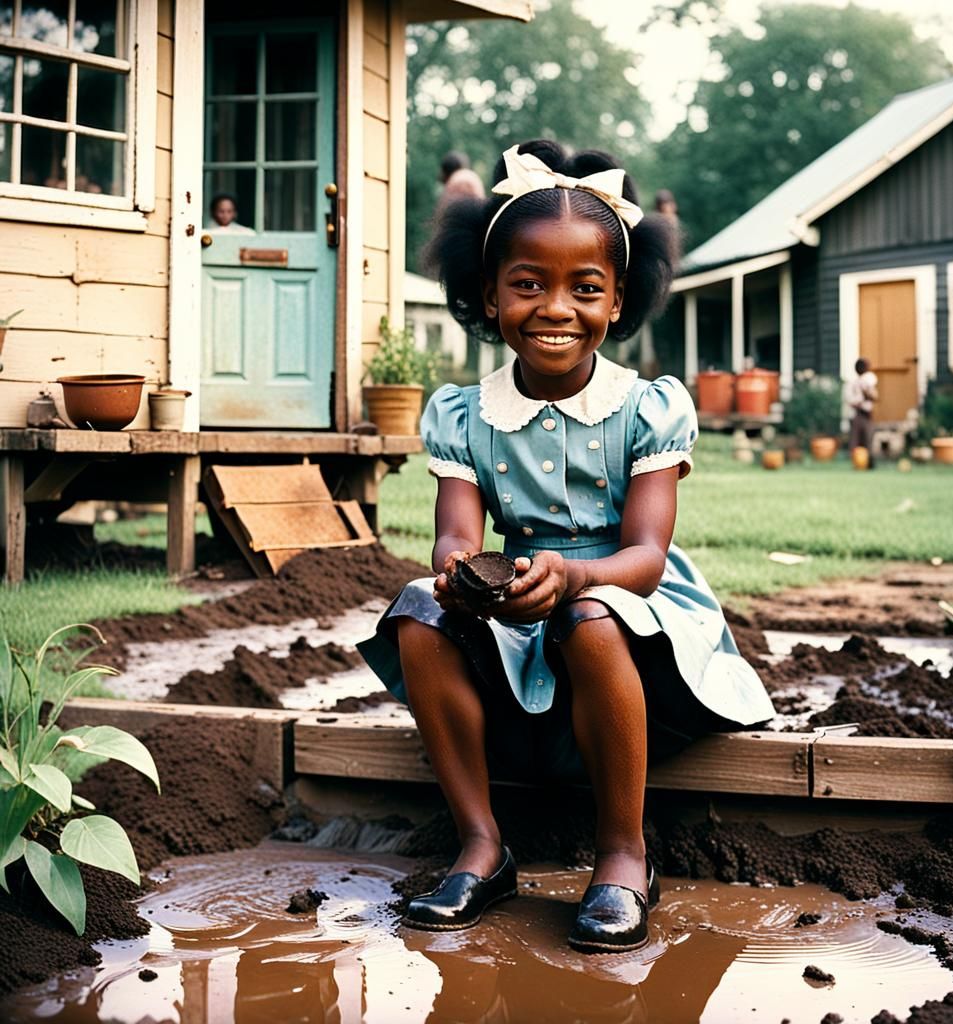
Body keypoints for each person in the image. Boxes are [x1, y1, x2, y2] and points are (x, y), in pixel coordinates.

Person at [357, 140, 774, 954]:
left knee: (589, 614)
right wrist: (457, 575)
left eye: (585, 288)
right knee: (413, 609)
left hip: (629, 603)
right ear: (489, 294)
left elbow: (646, 555)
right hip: (517, 595)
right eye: (528, 284)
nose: (555, 307)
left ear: (617, 300)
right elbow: (455, 533)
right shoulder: (465, 413)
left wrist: (576, 571)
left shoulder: (646, 408)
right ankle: (482, 843)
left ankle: (623, 854)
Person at [845, 357, 878, 455]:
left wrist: (867, 391)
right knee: (856, 441)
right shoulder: (852, 383)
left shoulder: (868, 381)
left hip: (866, 414)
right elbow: (851, 401)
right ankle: (858, 462)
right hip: (857, 414)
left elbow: (874, 396)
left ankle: (868, 462)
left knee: (867, 440)